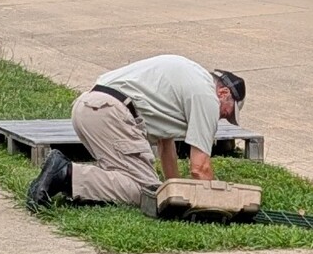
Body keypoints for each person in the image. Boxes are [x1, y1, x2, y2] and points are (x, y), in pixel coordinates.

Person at [26, 54, 246, 209]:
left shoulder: (190, 76)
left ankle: (72, 183)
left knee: (135, 181)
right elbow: (200, 167)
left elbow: (165, 144)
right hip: (111, 113)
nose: (223, 118)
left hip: (88, 107)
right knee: (145, 190)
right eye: (227, 112)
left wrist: (175, 192)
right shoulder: (206, 97)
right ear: (223, 92)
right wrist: (212, 205)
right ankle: (65, 174)